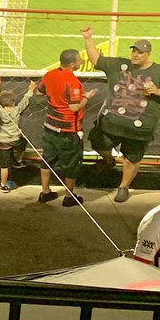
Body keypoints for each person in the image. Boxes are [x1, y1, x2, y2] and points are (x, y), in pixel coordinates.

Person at [81, 30, 160, 202]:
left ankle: (123, 187)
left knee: (131, 158)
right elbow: (97, 60)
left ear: (148, 54)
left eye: (140, 52)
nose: (135, 55)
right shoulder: (119, 65)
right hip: (112, 123)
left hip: (139, 127)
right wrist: (88, 39)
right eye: (134, 51)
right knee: (97, 140)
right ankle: (109, 160)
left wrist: (158, 91)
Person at [34, 50, 97, 206]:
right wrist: (87, 98)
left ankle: (45, 192)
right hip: (68, 130)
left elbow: (39, 91)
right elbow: (74, 107)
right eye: (79, 60)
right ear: (72, 64)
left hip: (50, 126)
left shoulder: (50, 75)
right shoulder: (72, 81)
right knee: (72, 164)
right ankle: (69, 197)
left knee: (47, 159)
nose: (81, 62)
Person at [0, 78, 36, 193]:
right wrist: (31, 89)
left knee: (4, 165)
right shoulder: (17, 110)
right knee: (23, 141)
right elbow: (25, 100)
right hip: (16, 139)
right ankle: (18, 159)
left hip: (3, 141)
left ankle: (3, 185)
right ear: (13, 103)